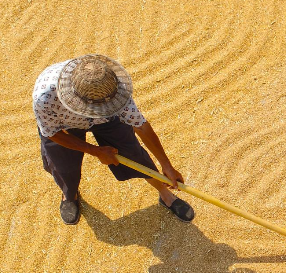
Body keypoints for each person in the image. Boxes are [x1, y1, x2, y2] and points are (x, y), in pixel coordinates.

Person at [32, 54, 194, 225]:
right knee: (64, 165)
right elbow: (51, 133)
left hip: (107, 119)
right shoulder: (45, 98)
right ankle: (69, 194)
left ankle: (165, 194)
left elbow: (141, 126)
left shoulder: (113, 89)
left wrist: (167, 165)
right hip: (65, 126)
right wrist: (95, 151)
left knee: (135, 154)